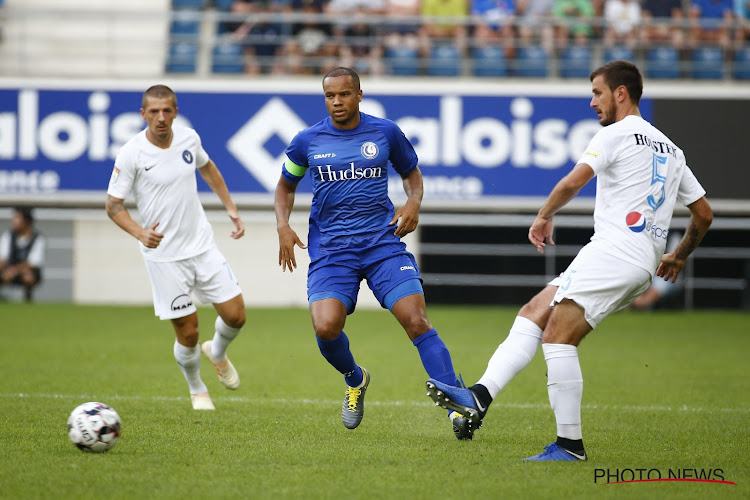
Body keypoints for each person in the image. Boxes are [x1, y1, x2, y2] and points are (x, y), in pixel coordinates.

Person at [426, 60, 713, 459]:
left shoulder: (616, 134)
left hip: (614, 253)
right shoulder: (671, 149)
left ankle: (569, 444)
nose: (592, 101)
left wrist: (544, 216)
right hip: (632, 259)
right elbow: (704, 214)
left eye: (597, 92)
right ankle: (479, 396)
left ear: (620, 93)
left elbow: (574, 180)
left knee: (558, 335)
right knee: (534, 311)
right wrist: (679, 257)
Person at [275, 67, 465, 436]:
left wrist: (413, 203)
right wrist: (283, 225)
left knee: (416, 320)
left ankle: (457, 407)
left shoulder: (385, 132)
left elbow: (412, 174)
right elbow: (285, 186)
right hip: (332, 250)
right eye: (330, 96)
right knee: (326, 326)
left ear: (359, 95)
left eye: (344, 95)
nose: (336, 102)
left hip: (382, 244)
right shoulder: (307, 140)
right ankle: (355, 378)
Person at [106, 85, 247, 411]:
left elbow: (208, 168)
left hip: (201, 246)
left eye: (167, 111)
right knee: (188, 333)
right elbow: (113, 205)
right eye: (153, 112)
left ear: (175, 111)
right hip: (164, 258)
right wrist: (140, 233)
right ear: (143, 114)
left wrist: (231, 208)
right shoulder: (131, 153)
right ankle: (197, 388)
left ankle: (219, 352)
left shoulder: (189, 138)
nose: (161, 118)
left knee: (236, 316)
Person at [0, 207, 45, 302]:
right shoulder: (8, 236)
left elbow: (33, 262)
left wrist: (15, 270)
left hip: (25, 272)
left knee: (28, 276)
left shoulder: (38, 238)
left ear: (26, 221)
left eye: (17, 218)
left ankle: (28, 299)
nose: (13, 221)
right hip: (8, 270)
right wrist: (5, 271)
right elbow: (3, 258)